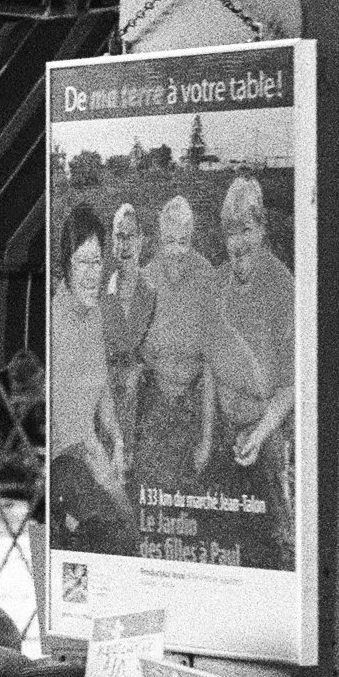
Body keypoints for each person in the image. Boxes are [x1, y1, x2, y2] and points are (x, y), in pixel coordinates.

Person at [205, 171, 297, 568]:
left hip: (268, 428)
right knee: (216, 532)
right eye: (229, 233)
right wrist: (208, 435)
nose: (237, 243)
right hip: (225, 426)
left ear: (261, 228)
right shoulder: (218, 281)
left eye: (245, 230)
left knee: (276, 537)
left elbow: (294, 385)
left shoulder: (283, 288)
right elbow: (208, 361)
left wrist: (259, 434)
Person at [45, 199, 138, 556]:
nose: (90, 273)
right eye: (81, 262)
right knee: (118, 530)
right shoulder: (55, 318)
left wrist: (117, 441)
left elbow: (101, 390)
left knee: (129, 524)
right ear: (66, 266)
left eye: (96, 261)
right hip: (63, 461)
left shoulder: (96, 313)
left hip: (88, 454)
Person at [131, 192, 216, 535]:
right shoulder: (145, 278)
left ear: (192, 239)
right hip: (156, 398)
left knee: (195, 497)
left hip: (195, 398)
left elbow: (211, 365)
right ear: (159, 239)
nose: (177, 250)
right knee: (152, 490)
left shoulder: (207, 277)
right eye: (170, 241)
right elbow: (134, 351)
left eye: (184, 241)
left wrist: (207, 438)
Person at [99, 200, 153, 457]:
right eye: (120, 236)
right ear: (112, 242)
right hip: (104, 403)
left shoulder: (152, 295)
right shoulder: (99, 294)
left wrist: (137, 369)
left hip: (141, 407)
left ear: (141, 240)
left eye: (131, 236)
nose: (126, 244)